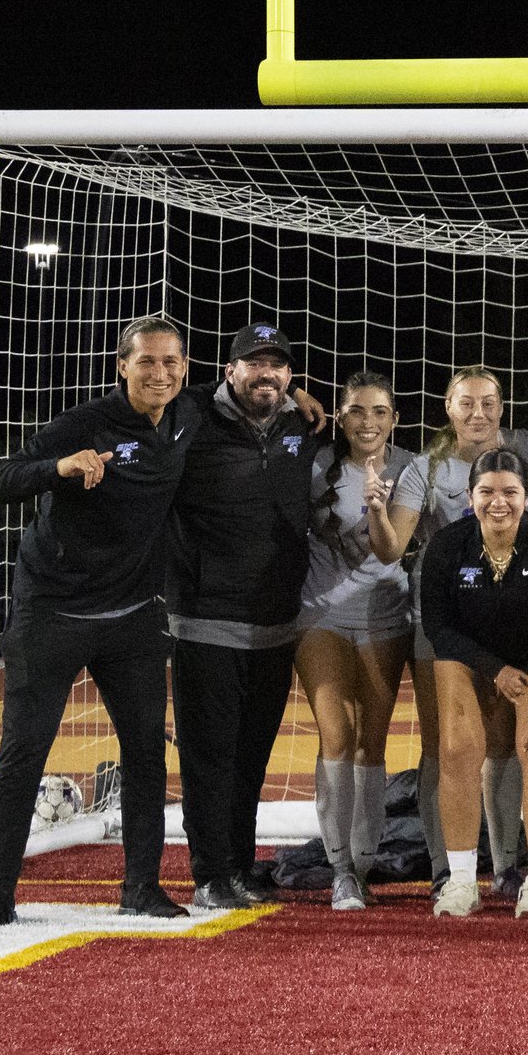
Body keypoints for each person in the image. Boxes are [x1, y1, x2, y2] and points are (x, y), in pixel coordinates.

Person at [0, 316, 197, 926]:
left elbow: (240, 396)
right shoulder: (84, 423)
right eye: (146, 361)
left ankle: (141, 888)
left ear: (185, 368)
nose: (160, 373)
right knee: (24, 753)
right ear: (122, 364)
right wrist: (59, 469)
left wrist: (304, 397)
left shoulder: (186, 417)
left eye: (171, 362)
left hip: (132, 619)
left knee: (146, 753)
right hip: (53, 612)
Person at [168, 322, 332, 912]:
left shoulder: (302, 424)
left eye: (278, 365)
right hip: (207, 619)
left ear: (291, 376)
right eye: (254, 363)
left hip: (275, 625)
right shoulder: (188, 417)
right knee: (208, 758)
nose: (267, 374)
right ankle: (209, 872)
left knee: (251, 756)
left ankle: (238, 865)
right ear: (230, 370)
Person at [375, 365, 528, 887]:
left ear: (503, 407)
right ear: (448, 408)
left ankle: (504, 868)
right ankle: (443, 868)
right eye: (466, 403)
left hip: (513, 618)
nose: (478, 413)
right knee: (445, 746)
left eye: (488, 402)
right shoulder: (424, 471)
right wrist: (375, 514)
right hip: (444, 620)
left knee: (502, 744)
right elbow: (391, 548)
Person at [417, 448, 528, 919]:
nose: (498, 502)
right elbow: (438, 627)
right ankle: (463, 881)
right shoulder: (447, 546)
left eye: (509, 492)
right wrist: (493, 669)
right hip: (469, 657)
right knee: (456, 748)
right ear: (470, 497)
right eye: (486, 492)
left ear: (526, 497)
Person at [296, 370, 415, 910]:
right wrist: (298, 394)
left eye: (379, 412)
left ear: (394, 419)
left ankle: (363, 864)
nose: (368, 422)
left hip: (386, 613)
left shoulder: (413, 467)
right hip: (319, 614)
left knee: (373, 739)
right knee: (336, 733)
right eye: (357, 411)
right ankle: (340, 866)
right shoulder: (315, 462)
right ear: (340, 417)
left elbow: (394, 550)